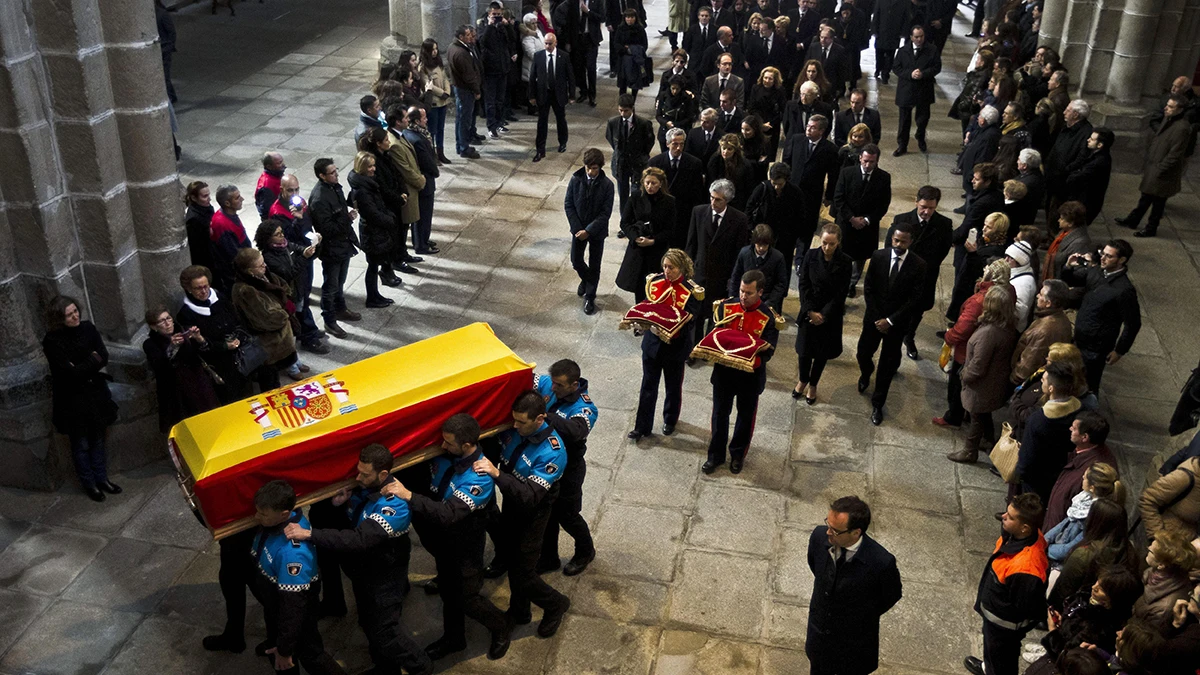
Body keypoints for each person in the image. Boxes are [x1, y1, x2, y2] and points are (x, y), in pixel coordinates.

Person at [283, 445, 432, 675]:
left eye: (364, 474)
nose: (358, 477)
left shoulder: (394, 504)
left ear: (383, 475)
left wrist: (310, 534)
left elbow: (360, 538)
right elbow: (349, 523)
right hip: (365, 573)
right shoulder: (365, 490)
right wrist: (337, 506)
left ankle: (421, 666)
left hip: (385, 578)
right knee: (368, 624)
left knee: (386, 633)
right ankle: (385, 669)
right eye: (358, 471)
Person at [380, 415, 512, 661]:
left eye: (449, 443)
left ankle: (501, 625)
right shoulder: (446, 458)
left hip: (465, 549)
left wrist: (408, 496)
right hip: (445, 544)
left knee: (467, 598)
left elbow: (448, 513)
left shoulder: (479, 478)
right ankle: (454, 639)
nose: (442, 446)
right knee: (449, 594)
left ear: (466, 446)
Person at [474, 391, 572, 638]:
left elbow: (529, 496)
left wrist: (496, 475)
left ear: (539, 419)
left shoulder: (553, 453)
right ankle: (520, 611)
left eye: (521, 422)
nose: (514, 426)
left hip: (533, 515)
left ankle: (556, 603)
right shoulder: (515, 431)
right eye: (514, 420)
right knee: (511, 560)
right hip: (512, 506)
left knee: (524, 574)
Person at [247, 480, 346, 675]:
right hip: (276, 606)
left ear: (284, 514)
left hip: (291, 611)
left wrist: (284, 650)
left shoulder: (292, 555)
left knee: (308, 656)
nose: (257, 517)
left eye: (263, 514)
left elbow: (292, 609)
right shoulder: (280, 521)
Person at [805, 495, 902, 675]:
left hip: (852, 647)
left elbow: (890, 596)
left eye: (835, 530)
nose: (827, 532)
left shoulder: (880, 563)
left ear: (855, 532)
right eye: (828, 524)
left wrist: (858, 613)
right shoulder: (819, 537)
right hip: (818, 637)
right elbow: (816, 567)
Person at [42, 296, 120, 502]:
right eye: (69, 314)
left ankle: (102, 479)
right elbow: (70, 374)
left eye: (75, 311)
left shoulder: (88, 328)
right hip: (73, 401)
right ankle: (90, 484)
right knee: (81, 444)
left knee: (98, 439)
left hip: (95, 394)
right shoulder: (53, 341)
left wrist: (83, 365)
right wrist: (91, 361)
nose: (75, 316)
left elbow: (102, 355)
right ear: (59, 318)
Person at [702, 269, 780, 474]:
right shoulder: (726, 307)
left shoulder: (768, 317)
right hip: (724, 374)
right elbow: (714, 332)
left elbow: (769, 351)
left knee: (745, 418)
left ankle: (737, 455)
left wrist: (749, 358)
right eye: (742, 291)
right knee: (719, 415)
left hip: (749, 378)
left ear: (760, 292)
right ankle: (715, 455)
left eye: (749, 293)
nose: (743, 296)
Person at [964, 493, 1048, 675]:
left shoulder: (1026, 568)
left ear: (1025, 528)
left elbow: (1025, 608)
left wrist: (1009, 630)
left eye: (1010, 517)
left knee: (1002, 664)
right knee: (994, 657)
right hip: (996, 621)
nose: (1003, 516)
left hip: (1004, 630)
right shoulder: (1018, 536)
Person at [629, 249, 705, 439]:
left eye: (671, 267)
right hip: (652, 345)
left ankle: (670, 420)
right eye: (664, 266)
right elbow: (648, 304)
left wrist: (670, 327)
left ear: (681, 268)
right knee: (648, 385)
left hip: (675, 347)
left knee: (673, 387)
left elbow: (691, 321)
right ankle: (642, 427)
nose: (666, 270)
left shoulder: (691, 291)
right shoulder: (655, 281)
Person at [856, 221, 926, 426]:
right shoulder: (879, 257)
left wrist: (890, 320)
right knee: (863, 352)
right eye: (896, 240)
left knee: (887, 365)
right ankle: (866, 372)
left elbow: (914, 299)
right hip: (873, 318)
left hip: (896, 324)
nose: (898, 244)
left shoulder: (919, 265)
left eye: (903, 241)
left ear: (910, 242)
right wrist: (878, 317)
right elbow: (868, 288)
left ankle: (878, 403)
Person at [534, 361, 599, 576]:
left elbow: (576, 431)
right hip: (547, 463)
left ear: (573, 385)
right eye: (552, 383)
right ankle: (549, 557)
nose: (553, 389)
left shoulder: (585, 407)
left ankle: (585, 551)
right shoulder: (548, 384)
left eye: (559, 386)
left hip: (570, 468)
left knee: (567, 515)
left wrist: (546, 415)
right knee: (548, 514)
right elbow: (527, 378)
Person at [947, 285, 1018, 463]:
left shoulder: (989, 333)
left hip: (983, 384)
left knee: (976, 416)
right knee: (983, 413)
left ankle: (970, 451)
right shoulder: (1007, 326)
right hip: (994, 381)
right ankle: (988, 440)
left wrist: (965, 376)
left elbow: (978, 365)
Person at [1061, 239, 1141, 392]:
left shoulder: (1124, 290)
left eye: (1109, 256)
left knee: (1088, 384)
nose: (1103, 258)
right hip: (1081, 337)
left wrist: (1119, 350)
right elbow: (1072, 279)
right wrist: (1068, 266)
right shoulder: (1098, 271)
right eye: (1102, 254)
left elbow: (1133, 323)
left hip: (1096, 347)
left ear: (1122, 260)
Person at [885, 186, 953, 360]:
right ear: (916, 202)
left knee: (917, 310)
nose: (926, 211)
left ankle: (910, 337)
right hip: (902, 276)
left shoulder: (944, 224)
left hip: (925, 277)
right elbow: (889, 248)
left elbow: (942, 251)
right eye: (923, 207)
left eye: (931, 208)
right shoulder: (902, 220)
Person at [1117, 95, 1195, 237]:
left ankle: (1151, 228)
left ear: (1180, 110)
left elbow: (1175, 154)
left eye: (1171, 107)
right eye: (1167, 105)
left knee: (1158, 203)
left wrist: (1160, 168)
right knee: (1145, 197)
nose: (1166, 108)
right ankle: (1133, 220)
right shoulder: (1169, 119)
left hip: (1163, 172)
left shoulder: (1182, 128)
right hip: (1155, 166)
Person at [794, 223, 852, 404]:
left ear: (838, 243)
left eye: (831, 244)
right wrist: (810, 311)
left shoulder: (845, 262)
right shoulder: (811, 256)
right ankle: (803, 379)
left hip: (829, 315)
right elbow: (803, 284)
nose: (827, 247)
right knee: (804, 351)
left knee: (821, 353)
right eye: (824, 243)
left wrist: (823, 315)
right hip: (809, 310)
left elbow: (840, 293)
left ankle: (813, 384)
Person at [268, 175, 327, 354]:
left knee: (305, 293)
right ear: (281, 190)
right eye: (290, 190)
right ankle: (307, 335)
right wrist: (297, 219)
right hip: (293, 259)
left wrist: (313, 237)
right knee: (299, 298)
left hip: (305, 252)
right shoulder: (276, 211)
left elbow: (306, 226)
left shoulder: (299, 202)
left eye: (296, 189)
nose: (295, 194)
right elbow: (285, 239)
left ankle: (309, 327)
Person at [686, 179, 751, 336]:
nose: (713, 202)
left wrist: (733, 278)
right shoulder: (699, 212)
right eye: (711, 197)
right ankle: (694, 349)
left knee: (717, 316)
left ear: (727, 200)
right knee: (696, 315)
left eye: (718, 199)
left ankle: (710, 346)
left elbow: (739, 253)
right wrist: (687, 271)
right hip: (699, 274)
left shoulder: (739, 220)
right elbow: (691, 244)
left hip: (722, 278)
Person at [142, 306, 220, 433]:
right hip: (177, 393)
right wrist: (172, 347)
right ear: (153, 327)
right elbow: (160, 365)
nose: (167, 323)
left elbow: (206, 352)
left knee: (210, 421)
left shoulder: (184, 331)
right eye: (162, 321)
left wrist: (199, 338)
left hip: (199, 385)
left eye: (168, 318)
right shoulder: (151, 344)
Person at [1015, 361, 1084, 506]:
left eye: (1044, 379)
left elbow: (1027, 457)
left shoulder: (1039, 420)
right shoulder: (1079, 410)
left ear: (1051, 388)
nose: (1041, 380)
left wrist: (1018, 473)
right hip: (1058, 472)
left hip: (1035, 477)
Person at [230, 248, 299, 390]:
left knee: (275, 377)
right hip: (267, 344)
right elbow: (266, 319)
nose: (265, 266)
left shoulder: (264, 275)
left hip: (279, 339)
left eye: (263, 262)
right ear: (249, 271)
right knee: (269, 381)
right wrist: (286, 311)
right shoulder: (245, 291)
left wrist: (286, 299)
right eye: (260, 265)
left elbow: (283, 286)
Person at [309, 158, 362, 339]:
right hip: (332, 248)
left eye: (336, 170)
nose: (336, 174)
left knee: (340, 282)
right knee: (331, 285)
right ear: (322, 176)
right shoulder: (319, 199)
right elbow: (327, 229)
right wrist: (347, 219)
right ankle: (329, 320)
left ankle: (341, 309)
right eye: (332, 173)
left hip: (343, 243)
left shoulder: (334, 187)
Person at [833, 143, 891, 297]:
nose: (867, 165)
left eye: (871, 162)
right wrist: (851, 218)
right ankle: (840, 285)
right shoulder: (847, 173)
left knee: (861, 257)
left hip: (867, 226)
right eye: (865, 161)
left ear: (877, 161)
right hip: (846, 223)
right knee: (841, 256)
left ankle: (852, 283)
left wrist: (866, 219)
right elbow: (838, 198)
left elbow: (883, 204)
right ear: (860, 158)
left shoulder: (884, 178)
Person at [782, 114, 839, 265]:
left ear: (821, 131)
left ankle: (801, 260)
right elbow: (786, 162)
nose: (808, 129)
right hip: (792, 192)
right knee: (789, 225)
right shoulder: (796, 139)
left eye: (813, 127)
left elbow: (833, 175)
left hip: (812, 195)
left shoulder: (830, 149)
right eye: (808, 126)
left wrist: (829, 196)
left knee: (807, 228)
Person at [346, 151, 400, 308]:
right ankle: (372, 297)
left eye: (373, 165)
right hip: (372, 232)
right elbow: (373, 213)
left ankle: (375, 295)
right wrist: (390, 220)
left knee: (375, 264)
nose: (373, 169)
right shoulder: (363, 190)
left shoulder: (366, 183)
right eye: (369, 166)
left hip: (375, 231)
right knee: (372, 266)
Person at [564, 148, 615, 314]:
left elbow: (605, 213)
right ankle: (586, 281)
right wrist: (578, 228)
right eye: (589, 168)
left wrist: (589, 230)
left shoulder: (607, 185)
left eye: (595, 168)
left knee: (595, 263)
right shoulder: (576, 179)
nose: (592, 172)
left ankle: (590, 297)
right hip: (578, 229)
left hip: (597, 231)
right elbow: (569, 204)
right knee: (576, 260)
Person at [616, 167, 676, 303]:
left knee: (656, 287)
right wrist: (635, 237)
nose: (650, 186)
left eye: (654, 183)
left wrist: (653, 241)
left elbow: (670, 230)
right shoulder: (635, 197)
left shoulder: (669, 202)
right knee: (639, 286)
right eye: (647, 182)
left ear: (660, 183)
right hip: (638, 249)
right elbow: (625, 222)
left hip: (657, 250)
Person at [1132, 531, 1198, 632]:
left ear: (1161, 565)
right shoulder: (1154, 572)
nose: (1148, 548)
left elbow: (1144, 637)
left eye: (1151, 551)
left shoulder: (1164, 609)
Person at [1011, 279, 1074, 385]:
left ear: (1048, 303)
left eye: (1040, 295)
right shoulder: (1062, 319)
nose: (1037, 296)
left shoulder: (1044, 330)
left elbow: (1027, 366)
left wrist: (1013, 379)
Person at [745, 162, 806, 271]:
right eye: (774, 183)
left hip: (785, 240)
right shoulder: (762, 188)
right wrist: (752, 229)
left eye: (780, 184)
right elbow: (749, 208)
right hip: (763, 236)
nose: (777, 187)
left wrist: (794, 235)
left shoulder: (796, 193)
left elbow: (801, 216)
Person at [891, 25, 941, 156]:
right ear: (911, 37)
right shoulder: (903, 51)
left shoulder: (932, 49)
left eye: (922, 36)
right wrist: (910, 74)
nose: (919, 39)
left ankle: (920, 136)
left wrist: (923, 74)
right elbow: (896, 67)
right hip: (906, 90)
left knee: (923, 118)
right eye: (917, 37)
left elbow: (937, 67)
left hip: (924, 89)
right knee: (904, 120)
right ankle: (902, 145)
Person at [606, 94, 657, 212]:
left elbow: (649, 142)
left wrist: (641, 155)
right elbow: (611, 139)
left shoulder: (643, 124)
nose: (623, 114)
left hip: (637, 164)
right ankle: (624, 221)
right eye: (620, 110)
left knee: (637, 193)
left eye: (626, 111)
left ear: (632, 108)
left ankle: (635, 219)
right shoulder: (613, 123)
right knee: (622, 194)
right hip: (621, 164)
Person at [528, 32, 574, 161]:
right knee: (542, 122)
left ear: (556, 43)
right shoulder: (538, 56)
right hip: (544, 93)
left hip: (558, 94)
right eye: (546, 43)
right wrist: (531, 95)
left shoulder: (564, 56)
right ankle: (540, 150)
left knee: (561, 119)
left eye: (550, 43)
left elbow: (570, 77)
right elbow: (532, 77)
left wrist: (572, 95)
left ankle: (563, 142)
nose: (548, 46)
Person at [402, 106, 440, 256]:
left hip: (422, 179)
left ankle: (423, 239)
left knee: (422, 214)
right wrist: (435, 171)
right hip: (424, 180)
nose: (427, 120)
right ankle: (421, 244)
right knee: (423, 214)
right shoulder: (417, 139)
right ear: (417, 120)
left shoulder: (410, 133)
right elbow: (427, 162)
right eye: (424, 118)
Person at [1138, 454, 1200, 541]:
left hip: (1186, 541)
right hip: (1169, 539)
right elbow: (1148, 500)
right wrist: (1159, 539)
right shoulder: (1184, 477)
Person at [729, 223, 788, 313]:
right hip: (744, 301)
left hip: (767, 302)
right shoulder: (744, 253)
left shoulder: (778, 257)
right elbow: (736, 277)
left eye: (765, 245)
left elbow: (781, 284)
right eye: (759, 244)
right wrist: (735, 299)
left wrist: (769, 303)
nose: (761, 248)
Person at [1062, 127, 1113, 227]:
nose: (1088, 140)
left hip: (1085, 203)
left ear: (1100, 145)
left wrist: (1073, 174)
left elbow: (1076, 178)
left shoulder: (1099, 162)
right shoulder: (1096, 156)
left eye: (1092, 139)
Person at [208, 184, 252, 297]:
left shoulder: (230, 215)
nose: (242, 199)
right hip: (233, 275)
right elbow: (233, 255)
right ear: (227, 203)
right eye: (237, 198)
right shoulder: (222, 224)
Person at [448, 25, 484, 159]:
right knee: (464, 120)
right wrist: (476, 89)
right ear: (461, 37)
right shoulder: (461, 53)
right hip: (465, 90)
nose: (471, 36)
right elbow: (468, 75)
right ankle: (463, 147)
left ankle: (461, 145)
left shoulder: (454, 47)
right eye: (468, 35)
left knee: (461, 118)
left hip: (460, 88)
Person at [419, 39, 454, 164]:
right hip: (433, 102)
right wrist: (441, 93)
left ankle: (441, 152)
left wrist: (447, 91)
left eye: (436, 49)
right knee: (432, 130)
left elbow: (444, 78)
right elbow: (427, 84)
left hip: (443, 102)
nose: (435, 52)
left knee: (441, 129)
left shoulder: (438, 63)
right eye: (432, 49)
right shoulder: (423, 66)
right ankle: (432, 154)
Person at [1044, 200, 1092, 281]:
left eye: (1062, 218)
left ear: (1071, 223)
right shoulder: (1064, 232)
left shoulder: (1080, 244)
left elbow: (1076, 272)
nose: (1059, 220)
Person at [958, 105, 1002, 191]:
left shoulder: (989, 137)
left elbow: (983, 158)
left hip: (974, 176)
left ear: (982, 121)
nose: (978, 118)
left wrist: (971, 176)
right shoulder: (984, 130)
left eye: (980, 116)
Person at [655, 75, 697, 152]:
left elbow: (690, 117)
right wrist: (666, 123)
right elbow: (658, 115)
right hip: (665, 130)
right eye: (673, 88)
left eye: (677, 89)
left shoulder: (686, 98)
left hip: (681, 130)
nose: (674, 91)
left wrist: (676, 125)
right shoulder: (663, 96)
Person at [804, 26, 848, 100]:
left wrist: (839, 88)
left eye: (826, 38)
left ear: (832, 38)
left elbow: (842, 71)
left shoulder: (840, 50)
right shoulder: (814, 47)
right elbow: (806, 64)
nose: (822, 40)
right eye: (821, 37)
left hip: (831, 86)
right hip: (815, 84)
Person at [613, 8, 648, 96]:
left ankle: (632, 104)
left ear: (635, 18)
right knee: (623, 85)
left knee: (635, 84)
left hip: (635, 60)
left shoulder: (640, 29)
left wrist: (632, 49)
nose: (630, 19)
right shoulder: (620, 29)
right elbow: (616, 44)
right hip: (623, 60)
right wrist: (625, 50)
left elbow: (644, 44)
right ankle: (623, 103)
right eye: (627, 17)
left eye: (632, 17)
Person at [870, 0, 907, 84]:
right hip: (881, 31)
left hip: (894, 33)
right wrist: (874, 30)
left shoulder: (903, 2)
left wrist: (903, 32)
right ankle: (878, 68)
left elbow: (906, 17)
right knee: (879, 53)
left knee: (890, 55)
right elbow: (876, 14)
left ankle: (885, 74)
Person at [1005, 240, 1037, 332]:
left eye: (1010, 258)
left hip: (1012, 329)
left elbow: (1019, 312)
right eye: (1006, 256)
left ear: (1020, 261)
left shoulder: (1023, 283)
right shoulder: (1018, 274)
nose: (1006, 260)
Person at [184, 181, 215, 270]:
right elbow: (197, 249)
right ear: (194, 198)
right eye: (205, 196)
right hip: (206, 260)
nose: (209, 199)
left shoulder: (207, 207)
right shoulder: (193, 219)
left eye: (208, 195)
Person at [254, 152, 287, 220]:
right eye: (279, 163)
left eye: (282, 161)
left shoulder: (277, 175)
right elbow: (265, 211)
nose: (283, 164)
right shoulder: (266, 185)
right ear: (269, 166)